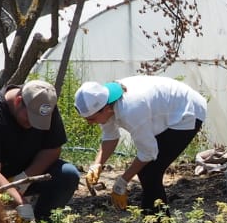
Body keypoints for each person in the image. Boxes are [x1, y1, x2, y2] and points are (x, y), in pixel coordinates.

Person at [75, 77, 208, 212]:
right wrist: (97, 165)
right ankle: (153, 221)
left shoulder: (131, 110)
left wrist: (121, 183)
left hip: (187, 112)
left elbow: (148, 153)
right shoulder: (106, 101)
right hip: (166, 108)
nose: (90, 123)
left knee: (150, 171)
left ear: (106, 109)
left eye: (91, 119)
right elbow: (110, 137)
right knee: (147, 170)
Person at [0, 79, 79, 221]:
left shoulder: (44, 106)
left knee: (68, 175)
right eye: (30, 118)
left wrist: (25, 178)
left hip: (30, 172)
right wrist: (19, 200)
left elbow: (53, 149)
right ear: (18, 101)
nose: (33, 124)